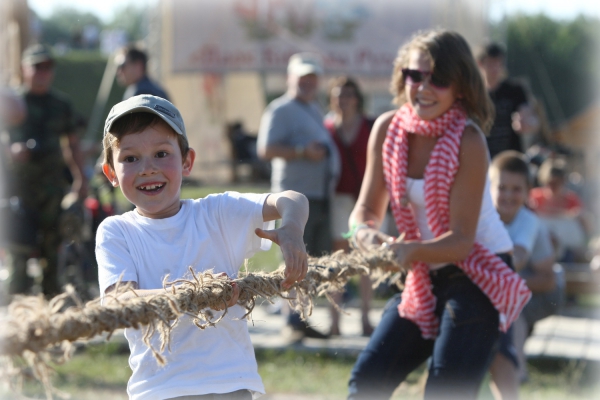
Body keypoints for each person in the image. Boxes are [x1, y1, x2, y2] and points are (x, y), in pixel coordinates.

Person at [346, 30, 531, 399]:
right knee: (367, 381)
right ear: (403, 77)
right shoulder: (387, 129)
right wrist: (367, 238)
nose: (424, 88)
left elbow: (462, 243)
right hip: (423, 272)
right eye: (415, 75)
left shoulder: (469, 140)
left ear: (461, 86)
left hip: (479, 273)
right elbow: (363, 213)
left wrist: (408, 252)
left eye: (439, 79)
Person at [97, 94, 310, 399]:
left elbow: (292, 199)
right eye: (130, 158)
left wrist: (291, 228)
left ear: (187, 161)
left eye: (161, 153)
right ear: (111, 173)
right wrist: (196, 294)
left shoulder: (216, 214)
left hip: (231, 386)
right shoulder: (117, 232)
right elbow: (119, 302)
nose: (147, 168)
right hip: (160, 390)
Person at [257, 52, 340, 340]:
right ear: (290, 78)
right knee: (294, 256)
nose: (308, 82)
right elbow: (265, 150)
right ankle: (291, 320)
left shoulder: (314, 109)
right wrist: (304, 152)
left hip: (316, 195)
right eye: (302, 77)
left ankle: (299, 317)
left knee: (309, 259)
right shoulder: (280, 109)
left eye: (312, 77)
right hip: (293, 199)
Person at [4, 44, 88, 297]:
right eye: (37, 67)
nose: (43, 72)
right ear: (24, 69)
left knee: (53, 249)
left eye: (48, 67)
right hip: (19, 190)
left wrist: (80, 178)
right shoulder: (12, 103)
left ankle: (50, 305)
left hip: (52, 189)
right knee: (18, 249)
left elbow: (72, 144)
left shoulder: (60, 104)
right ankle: (18, 308)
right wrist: (10, 150)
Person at [488, 151, 564, 399]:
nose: (508, 195)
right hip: (502, 286)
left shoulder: (529, 221)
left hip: (545, 288)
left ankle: (516, 372)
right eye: (502, 188)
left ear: (528, 190)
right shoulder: (483, 217)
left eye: (516, 189)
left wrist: (497, 279)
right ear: (489, 187)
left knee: (512, 310)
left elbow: (543, 276)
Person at [324, 76, 375, 336]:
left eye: (348, 95)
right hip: (339, 198)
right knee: (339, 260)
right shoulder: (326, 127)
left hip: (367, 200)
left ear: (357, 99)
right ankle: (335, 321)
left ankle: (366, 317)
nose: (343, 100)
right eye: (338, 95)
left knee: (366, 259)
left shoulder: (370, 125)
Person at [476, 42, 539, 159]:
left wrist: (527, 123)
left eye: (498, 63)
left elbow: (531, 119)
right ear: (480, 64)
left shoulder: (515, 90)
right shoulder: (475, 94)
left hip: (510, 160)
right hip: (483, 160)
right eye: (491, 64)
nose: (495, 69)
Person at [529, 157, 589, 262]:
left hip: (566, 250)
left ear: (563, 181)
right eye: (550, 183)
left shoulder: (572, 200)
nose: (552, 187)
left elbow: (585, 226)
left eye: (557, 183)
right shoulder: (534, 197)